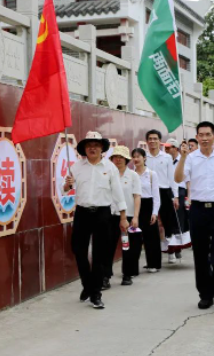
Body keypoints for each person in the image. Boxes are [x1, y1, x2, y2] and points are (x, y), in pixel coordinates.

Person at [175, 121, 214, 312]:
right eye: (200, 135)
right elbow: (178, 178)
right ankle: (206, 295)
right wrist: (182, 158)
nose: (204, 138)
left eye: (207, 134)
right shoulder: (190, 158)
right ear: (196, 137)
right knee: (200, 254)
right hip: (198, 210)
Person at [64, 132, 128, 309]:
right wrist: (67, 184)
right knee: (78, 250)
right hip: (82, 212)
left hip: (102, 213)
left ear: (102, 148)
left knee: (100, 254)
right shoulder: (76, 167)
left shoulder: (110, 167)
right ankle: (87, 284)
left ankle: (96, 294)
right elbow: (65, 189)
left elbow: (118, 193)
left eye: (96, 145)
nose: (92, 148)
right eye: (89, 145)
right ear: (84, 149)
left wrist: (123, 217)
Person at [145, 129, 187, 263]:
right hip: (148, 193)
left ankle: (171, 251)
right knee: (151, 224)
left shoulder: (166, 157)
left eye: (155, 139)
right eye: (150, 139)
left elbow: (172, 178)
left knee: (168, 223)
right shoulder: (144, 156)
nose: (152, 141)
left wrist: (175, 196)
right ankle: (153, 256)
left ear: (159, 141)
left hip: (164, 191)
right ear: (147, 141)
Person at [105, 146, 141, 287]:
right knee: (108, 246)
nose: (118, 160)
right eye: (115, 157)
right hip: (111, 215)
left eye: (121, 157)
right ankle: (106, 276)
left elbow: (137, 196)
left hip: (128, 216)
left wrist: (136, 217)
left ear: (126, 160)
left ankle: (127, 275)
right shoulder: (107, 174)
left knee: (127, 247)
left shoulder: (133, 176)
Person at [132, 148, 162, 273]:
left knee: (151, 237)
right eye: (134, 156)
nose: (136, 159)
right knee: (134, 237)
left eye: (138, 156)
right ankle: (132, 268)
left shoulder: (151, 174)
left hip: (148, 205)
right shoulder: (131, 174)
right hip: (134, 206)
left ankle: (153, 264)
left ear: (144, 158)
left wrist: (154, 212)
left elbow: (156, 196)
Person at [165, 138, 191, 259]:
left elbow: (188, 180)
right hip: (166, 190)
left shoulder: (184, 160)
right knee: (168, 219)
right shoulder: (164, 160)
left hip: (180, 191)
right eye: (165, 148)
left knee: (179, 219)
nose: (165, 150)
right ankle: (170, 248)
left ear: (175, 148)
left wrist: (188, 196)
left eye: (168, 148)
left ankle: (178, 247)